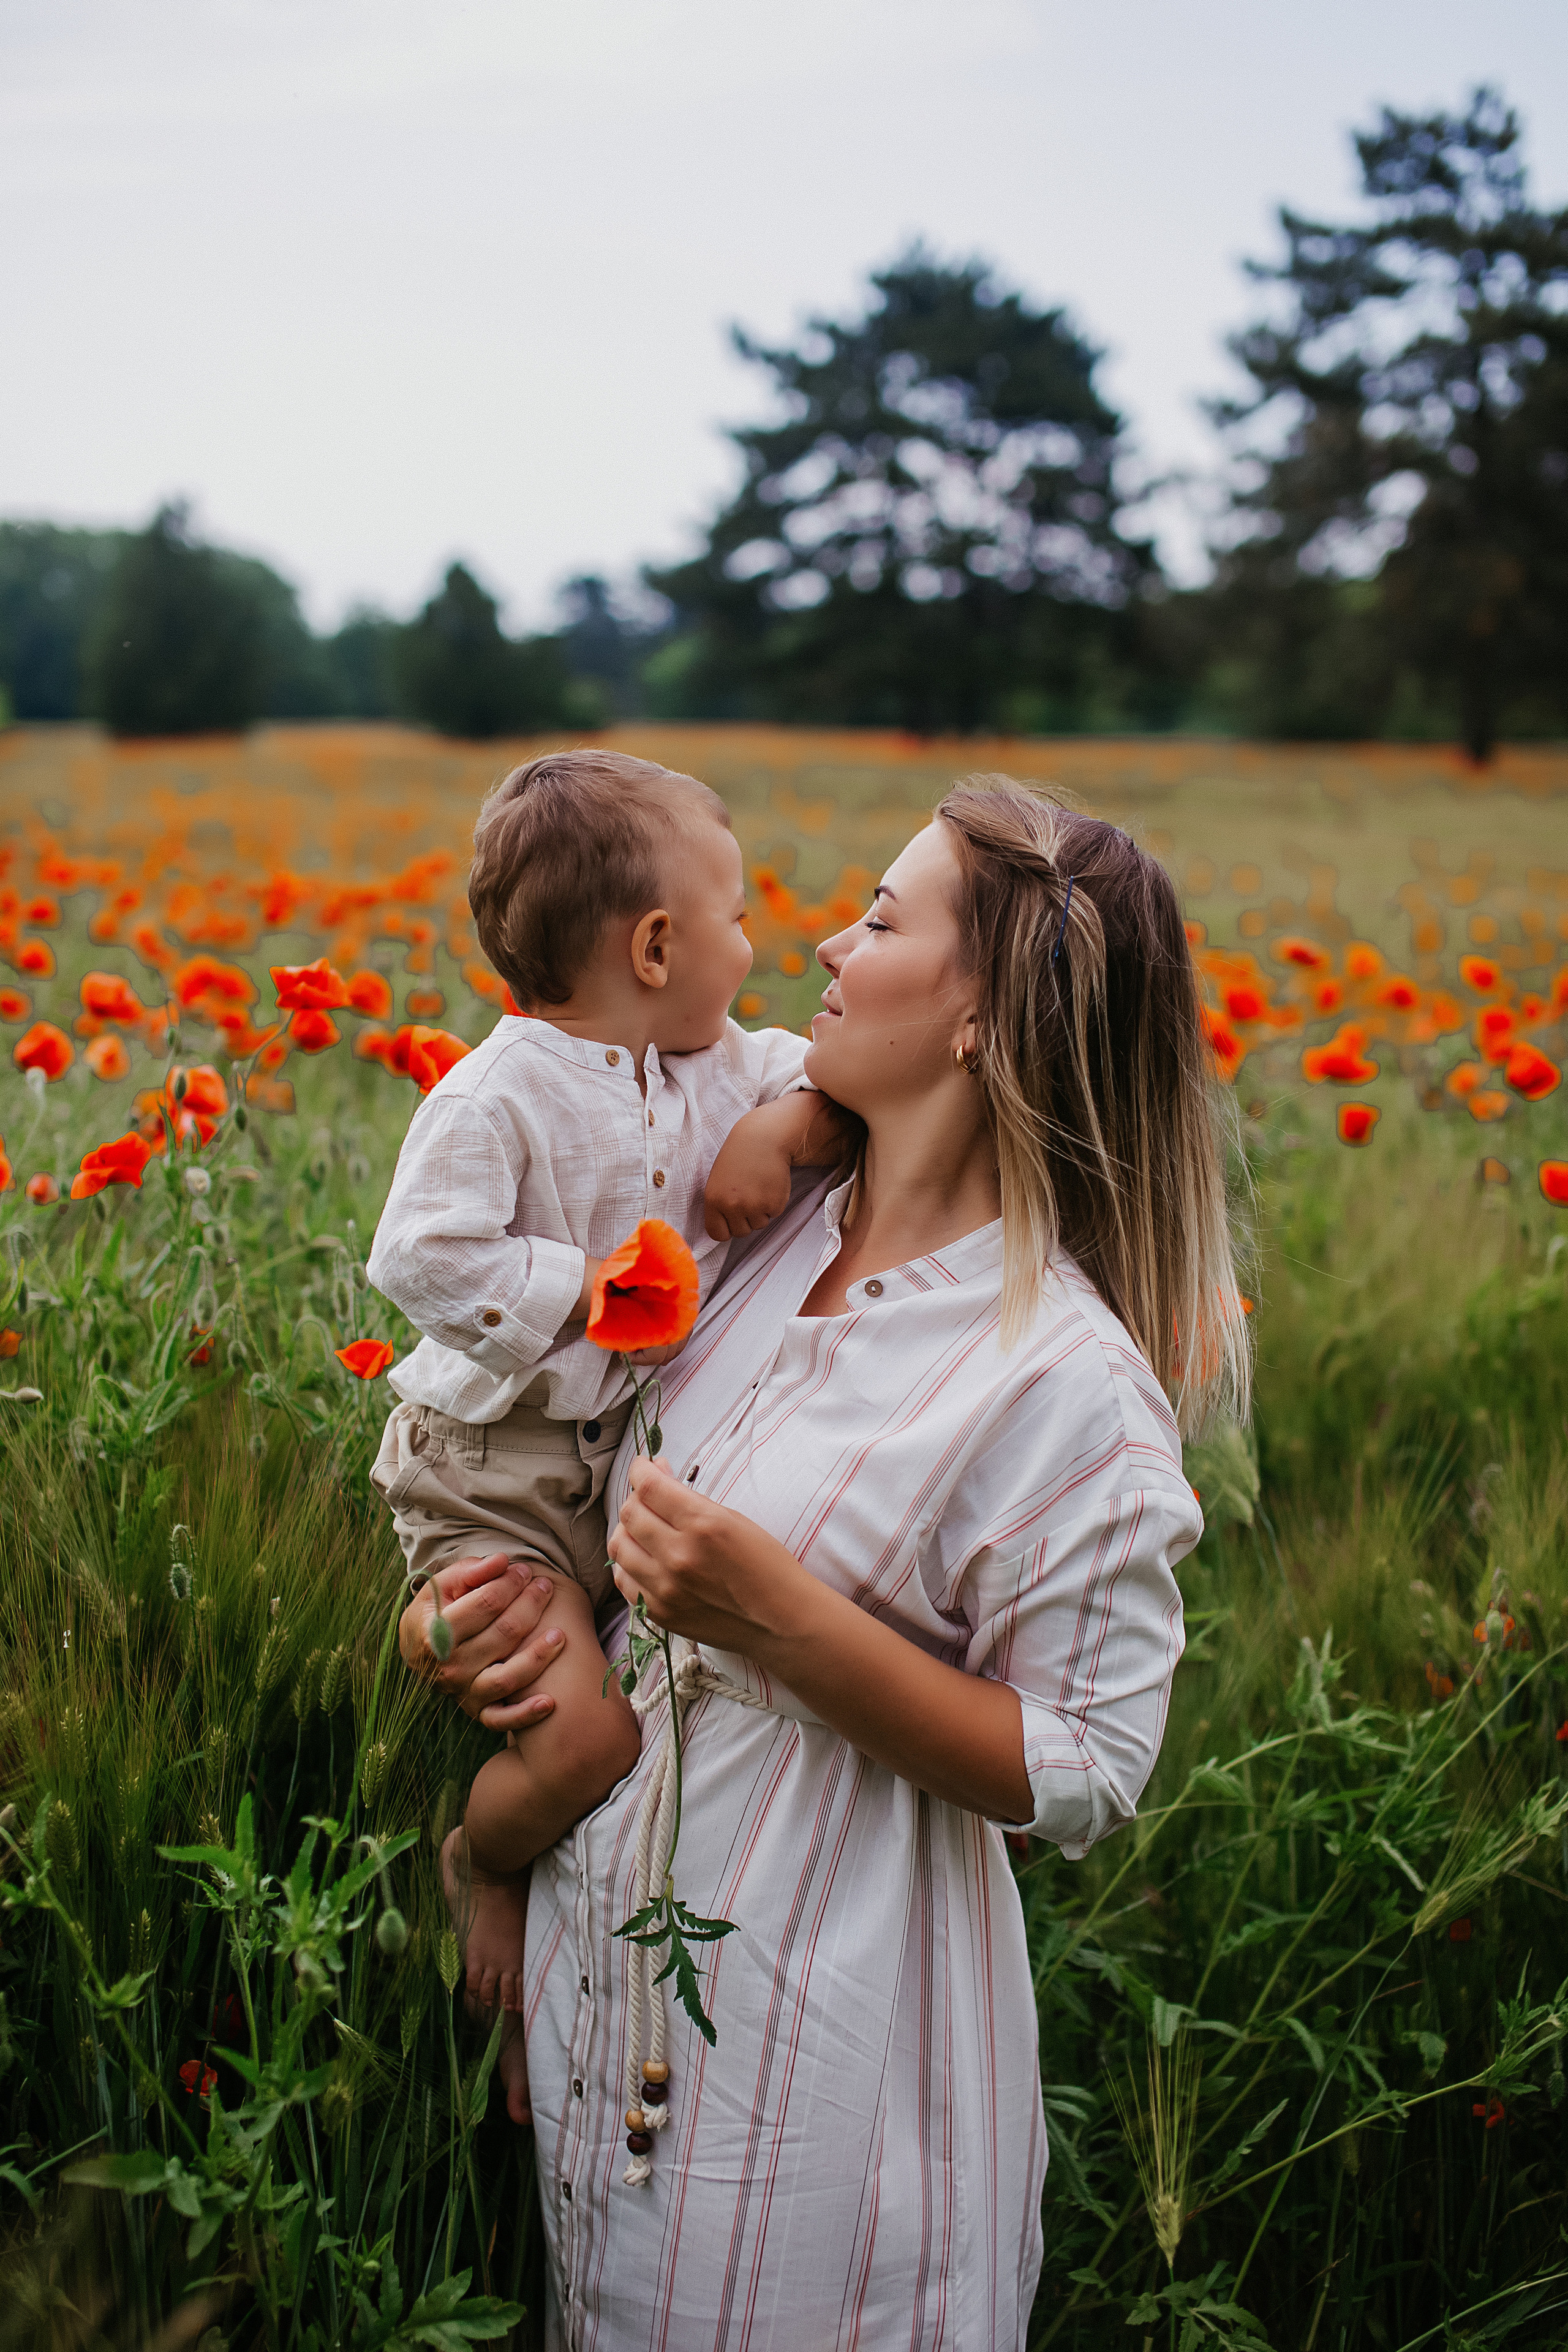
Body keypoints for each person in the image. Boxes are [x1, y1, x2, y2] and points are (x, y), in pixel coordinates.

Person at [401, 778, 1250, 2346]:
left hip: (827, 2077)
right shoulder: (751, 1230)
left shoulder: (1058, 1379)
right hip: (607, 1988)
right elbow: (549, 1457)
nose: (824, 941)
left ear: (982, 1018)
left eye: (878, 914)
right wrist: (472, 1630)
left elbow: (1082, 1764)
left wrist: (781, 1623)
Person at [368, 748, 848, 2111]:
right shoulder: (494, 1094)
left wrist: (784, 1130)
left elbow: (833, 1081)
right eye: (738, 917)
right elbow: (418, 1258)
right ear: (654, 944)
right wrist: (583, 1286)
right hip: (498, 1471)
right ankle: (487, 1858)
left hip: (619, 1459)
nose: (754, 946)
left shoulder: (712, 1065)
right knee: (586, 1743)